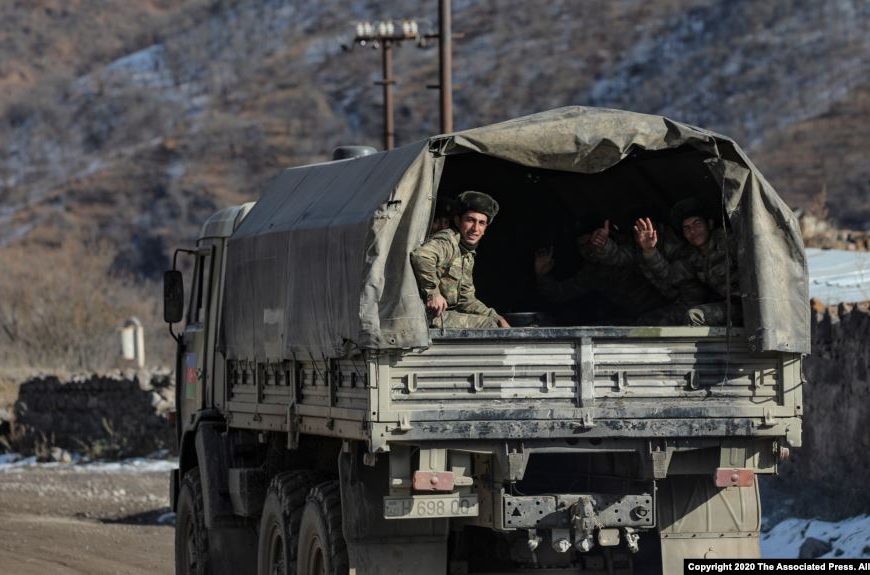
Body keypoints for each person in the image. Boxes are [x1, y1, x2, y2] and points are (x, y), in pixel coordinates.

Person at [411, 191, 511, 329]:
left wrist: (495, 316)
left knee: (495, 322)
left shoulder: (466, 253)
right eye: (470, 220)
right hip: (422, 316)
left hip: (439, 317)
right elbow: (422, 256)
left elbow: (466, 300)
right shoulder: (448, 240)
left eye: (481, 223)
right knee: (489, 325)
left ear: (485, 228)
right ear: (458, 221)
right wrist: (433, 293)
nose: (475, 229)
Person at [634, 198, 740, 326]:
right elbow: (670, 276)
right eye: (687, 228)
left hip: (748, 305)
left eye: (697, 224)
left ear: (709, 224)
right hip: (726, 305)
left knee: (694, 316)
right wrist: (650, 251)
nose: (693, 231)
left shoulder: (728, 242)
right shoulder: (690, 256)